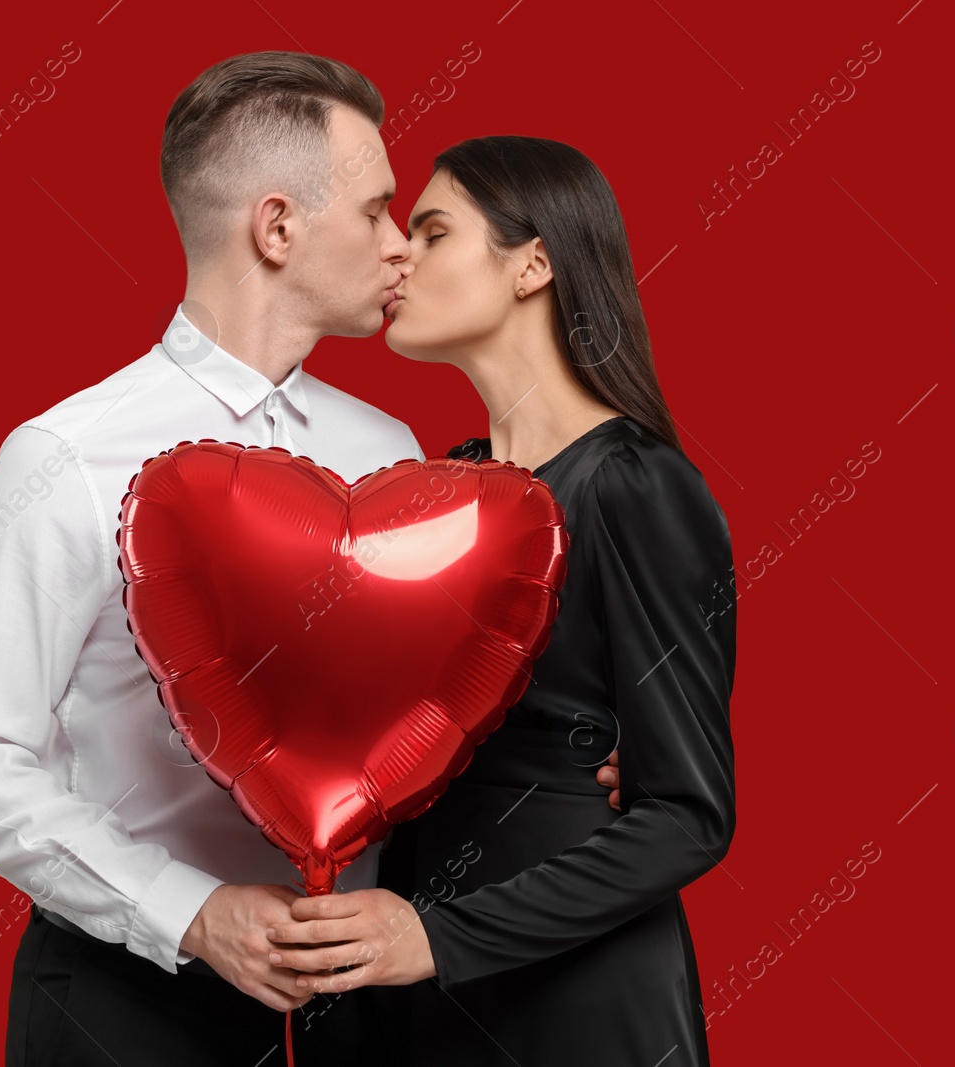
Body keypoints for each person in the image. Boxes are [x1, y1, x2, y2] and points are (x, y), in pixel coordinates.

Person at [0, 54, 621, 1065]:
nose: (398, 249)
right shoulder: (64, 457)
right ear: (278, 226)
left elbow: (432, 695)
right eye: (378, 210)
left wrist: (602, 749)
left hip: (362, 1007)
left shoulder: (388, 451)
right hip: (130, 1008)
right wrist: (192, 912)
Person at [266, 136, 739, 1067]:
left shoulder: (634, 485)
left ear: (534, 263)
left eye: (433, 231)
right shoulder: (444, 487)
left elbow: (690, 813)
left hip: (571, 1000)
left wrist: (436, 937)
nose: (399, 251)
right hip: (398, 987)